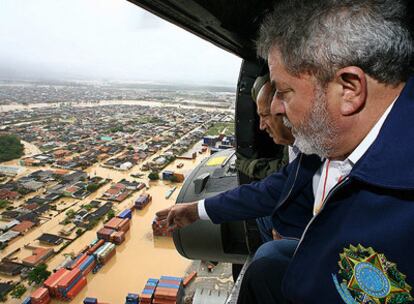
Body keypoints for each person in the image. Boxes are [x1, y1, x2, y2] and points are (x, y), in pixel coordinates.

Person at [157, 0, 414, 302]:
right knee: (265, 268)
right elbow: (270, 190)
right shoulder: (331, 148)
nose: (276, 109)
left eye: (283, 92)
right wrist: (196, 210)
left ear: (349, 89)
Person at [236, 73, 295, 181]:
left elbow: (286, 174)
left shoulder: (309, 149)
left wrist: (250, 167)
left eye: (265, 115)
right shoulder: (294, 145)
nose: (261, 126)